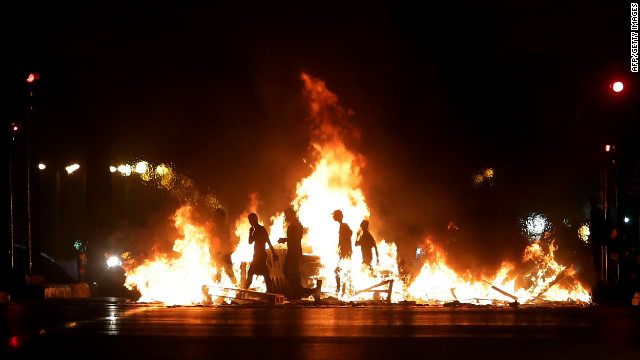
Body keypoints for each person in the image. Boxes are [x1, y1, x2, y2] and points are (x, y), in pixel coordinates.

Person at [244, 213, 279, 292]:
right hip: (258, 255)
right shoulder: (255, 230)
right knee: (263, 273)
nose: (250, 222)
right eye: (250, 221)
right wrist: (250, 232)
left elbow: (268, 241)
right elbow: (250, 242)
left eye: (251, 220)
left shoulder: (261, 229)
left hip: (260, 255)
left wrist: (274, 253)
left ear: (255, 220)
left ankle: (243, 291)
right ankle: (270, 291)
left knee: (253, 273)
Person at [278, 207, 304, 299]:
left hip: (295, 251)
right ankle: (297, 291)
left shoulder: (297, 225)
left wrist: (285, 240)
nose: (285, 217)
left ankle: (297, 291)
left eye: (287, 215)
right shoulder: (294, 225)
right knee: (293, 271)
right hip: (292, 251)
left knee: (291, 271)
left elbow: (297, 238)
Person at [588, 196, 608, 286]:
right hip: (600, 237)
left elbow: (594, 226)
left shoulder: (594, 212)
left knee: (596, 258)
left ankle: (599, 278)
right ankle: (599, 277)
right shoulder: (599, 211)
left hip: (597, 237)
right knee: (598, 257)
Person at [333, 210, 352, 295]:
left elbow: (347, 240)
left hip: (345, 252)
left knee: (340, 271)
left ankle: (341, 290)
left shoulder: (344, 226)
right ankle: (342, 289)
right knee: (341, 271)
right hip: (344, 252)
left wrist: (346, 252)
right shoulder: (343, 226)